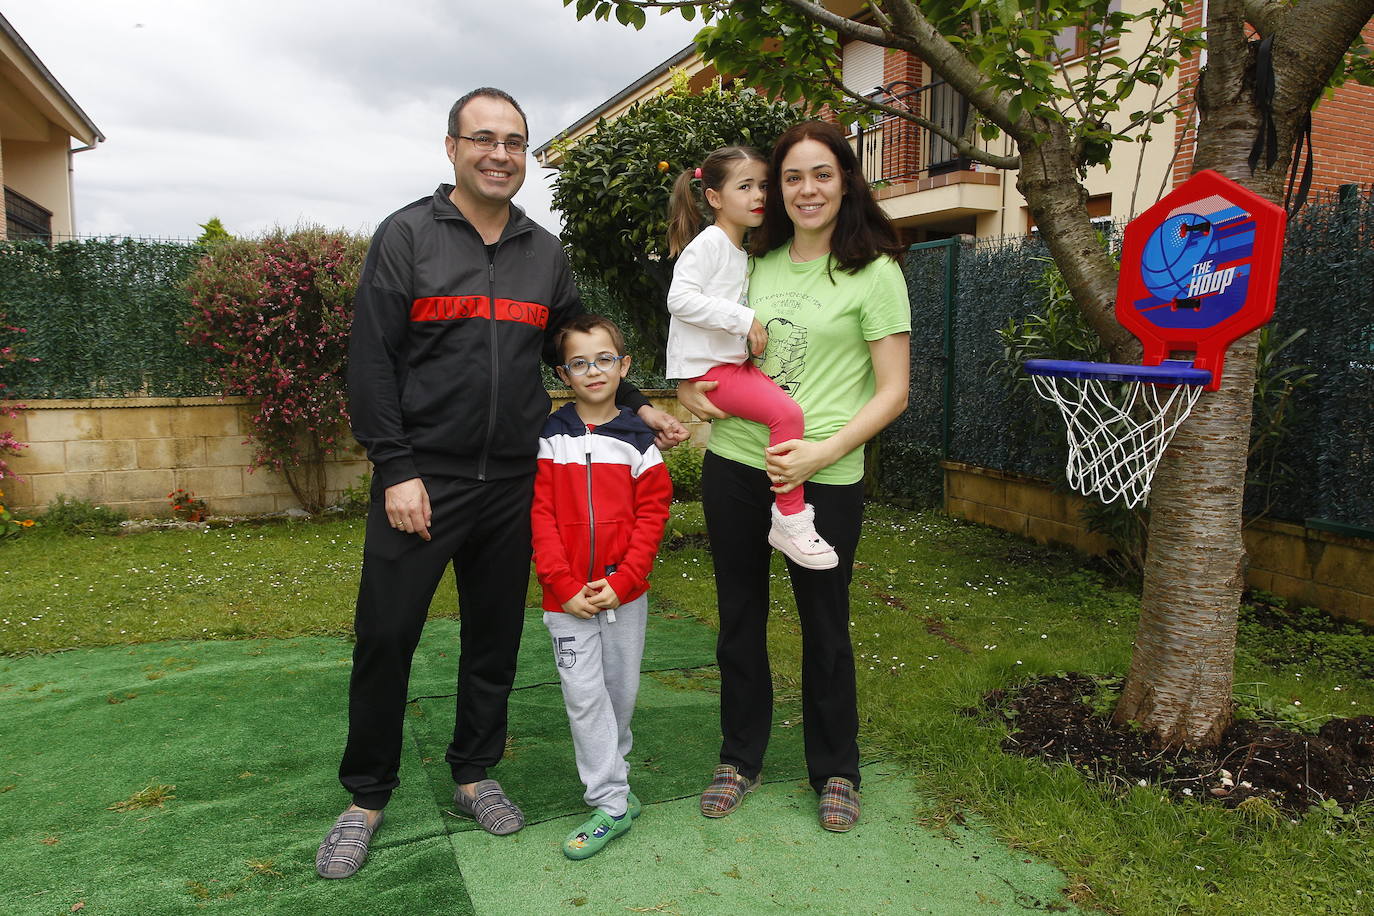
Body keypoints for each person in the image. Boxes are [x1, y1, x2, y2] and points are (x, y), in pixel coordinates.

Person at [315, 88, 687, 880]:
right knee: (386, 638)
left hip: (516, 481)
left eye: (514, 142)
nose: (500, 154)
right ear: (451, 147)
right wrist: (396, 467)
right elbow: (371, 362)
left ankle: (474, 774)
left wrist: (638, 406)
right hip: (423, 480)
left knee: (495, 640)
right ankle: (366, 797)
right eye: (483, 139)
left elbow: (583, 344)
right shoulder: (407, 236)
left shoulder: (541, 252)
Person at [678, 121, 910, 833]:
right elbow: (712, 347)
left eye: (821, 175)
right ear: (777, 189)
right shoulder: (756, 262)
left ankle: (836, 769)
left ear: (846, 181)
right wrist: (691, 392)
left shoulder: (876, 273)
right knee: (740, 619)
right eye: (792, 177)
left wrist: (819, 451)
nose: (806, 189)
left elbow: (893, 391)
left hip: (825, 478)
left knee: (825, 628)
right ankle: (739, 757)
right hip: (738, 467)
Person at [531, 314, 673, 860]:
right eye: (580, 363)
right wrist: (565, 586)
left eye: (604, 359)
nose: (593, 371)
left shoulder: (641, 442)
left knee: (619, 694)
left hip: (623, 598)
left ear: (624, 366)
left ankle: (617, 782)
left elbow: (651, 519)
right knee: (584, 697)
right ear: (564, 374)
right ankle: (611, 803)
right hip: (566, 602)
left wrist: (622, 581)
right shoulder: (550, 436)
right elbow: (540, 517)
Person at [665, 146, 837, 571]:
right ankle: (791, 516)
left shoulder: (739, 250)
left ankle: (788, 515)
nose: (758, 195)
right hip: (714, 370)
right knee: (787, 415)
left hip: (730, 365)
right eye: (745, 186)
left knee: (785, 414)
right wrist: (744, 319)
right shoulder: (709, 244)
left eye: (762, 185)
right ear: (714, 198)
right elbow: (679, 298)